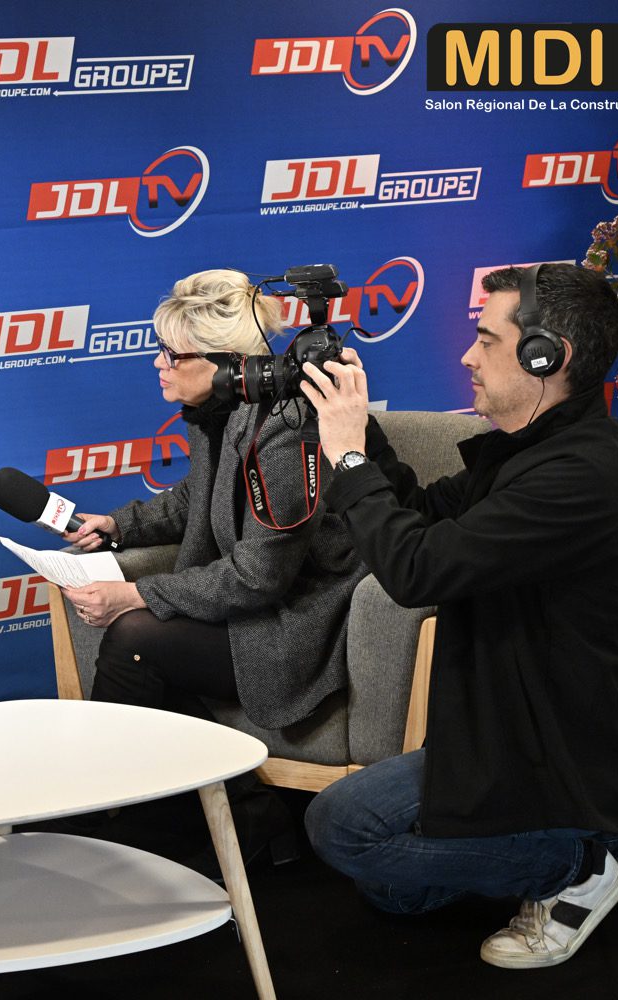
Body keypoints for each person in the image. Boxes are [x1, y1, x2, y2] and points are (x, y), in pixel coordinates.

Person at [297, 263, 618, 969]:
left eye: (485, 339)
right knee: (395, 894)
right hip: (501, 728)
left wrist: (347, 455)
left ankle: (579, 866)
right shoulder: (528, 448)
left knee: (344, 830)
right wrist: (360, 428)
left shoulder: (580, 477)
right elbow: (419, 516)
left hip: (553, 749)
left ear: (546, 356)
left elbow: (417, 570)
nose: (467, 358)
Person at [61, 269, 370, 860]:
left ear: (227, 363)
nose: (158, 364)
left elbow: (260, 574)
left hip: (296, 624)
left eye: (172, 355)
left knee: (134, 638)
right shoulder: (221, 413)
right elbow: (201, 496)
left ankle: (112, 820)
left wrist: (140, 594)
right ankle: (243, 817)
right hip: (254, 608)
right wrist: (122, 525)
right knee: (139, 646)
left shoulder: (286, 431)